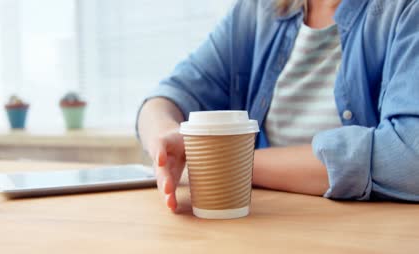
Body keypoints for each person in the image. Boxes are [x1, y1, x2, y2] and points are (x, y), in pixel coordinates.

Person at [137, 0, 419, 212]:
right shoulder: (260, 10)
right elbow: (167, 96)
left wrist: (225, 162)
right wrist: (164, 134)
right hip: (268, 225)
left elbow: (409, 158)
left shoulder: (405, 10)